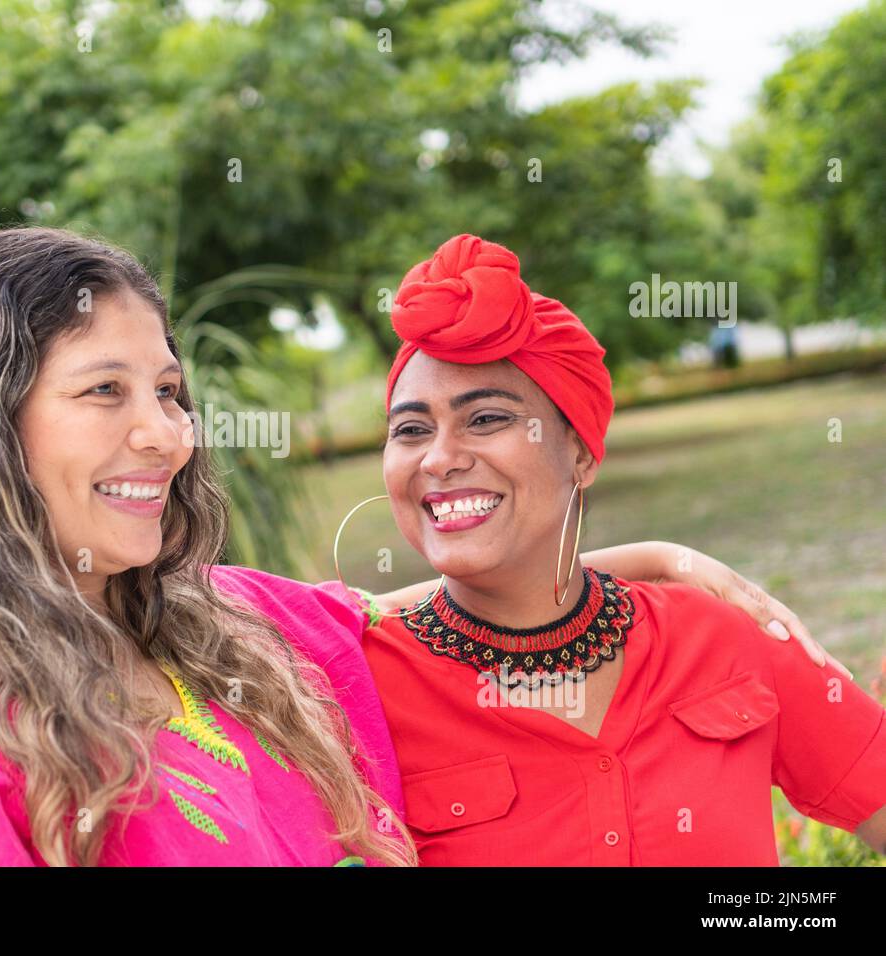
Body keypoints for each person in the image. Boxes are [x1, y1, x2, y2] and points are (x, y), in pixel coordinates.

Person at [0, 226, 824, 866]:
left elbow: (414, 606)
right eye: (104, 391)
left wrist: (651, 560)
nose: (166, 432)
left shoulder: (214, 623)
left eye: (170, 391)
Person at [356, 233, 886, 865]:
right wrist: (660, 554)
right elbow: (230, 623)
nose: (441, 458)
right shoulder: (352, 682)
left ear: (578, 451)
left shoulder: (724, 634)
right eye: (411, 430)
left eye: (488, 418)